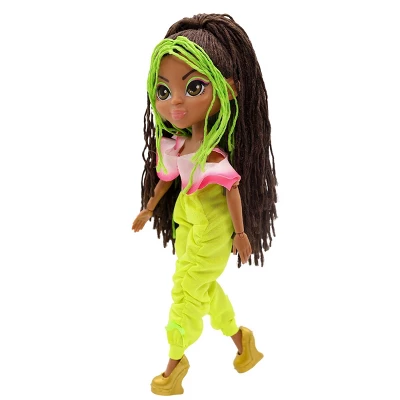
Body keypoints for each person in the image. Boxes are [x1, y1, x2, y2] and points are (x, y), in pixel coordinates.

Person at [132, 13, 278, 396]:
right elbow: (167, 179)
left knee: (186, 293)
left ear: (228, 90)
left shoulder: (214, 158)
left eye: (194, 86)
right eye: (163, 91)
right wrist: (150, 208)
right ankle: (243, 343)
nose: (176, 101)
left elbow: (232, 191)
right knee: (203, 288)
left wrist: (241, 234)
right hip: (187, 222)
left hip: (212, 229)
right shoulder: (177, 146)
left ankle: (174, 364)